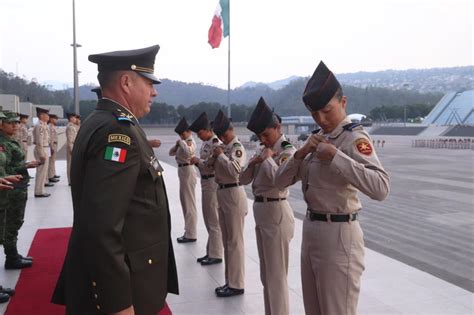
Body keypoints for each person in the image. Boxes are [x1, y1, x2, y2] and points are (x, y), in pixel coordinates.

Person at [52, 45, 179, 315]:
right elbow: (102, 228)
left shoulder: (101, 121)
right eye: (148, 82)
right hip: (122, 292)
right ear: (125, 82)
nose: (154, 91)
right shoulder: (116, 132)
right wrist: (119, 304)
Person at [275, 61, 390, 315]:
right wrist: (301, 153)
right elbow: (279, 182)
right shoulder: (316, 139)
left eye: (327, 111)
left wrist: (337, 157)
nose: (321, 119)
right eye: (315, 114)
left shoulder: (354, 138)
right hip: (312, 229)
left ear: (344, 102)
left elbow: (381, 187)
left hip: (339, 235)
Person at [240, 97, 295, 315]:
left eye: (266, 134)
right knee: (267, 274)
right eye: (260, 136)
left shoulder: (286, 150)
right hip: (262, 213)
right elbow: (243, 180)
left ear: (277, 127)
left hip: (276, 211)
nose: (263, 140)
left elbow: (280, 181)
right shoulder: (264, 150)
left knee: (276, 275)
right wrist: (254, 162)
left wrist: (269, 159)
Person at [212, 109, 248, 297]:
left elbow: (235, 171)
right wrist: (215, 156)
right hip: (223, 193)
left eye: (225, 135)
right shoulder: (224, 148)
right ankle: (230, 281)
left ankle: (237, 284)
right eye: (220, 136)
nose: (223, 138)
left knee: (235, 241)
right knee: (228, 241)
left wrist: (220, 155)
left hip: (234, 193)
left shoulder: (236, 147)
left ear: (231, 130)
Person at [0, 111, 40, 269]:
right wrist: (23, 166)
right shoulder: (4, 144)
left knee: (16, 222)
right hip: (11, 188)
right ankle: (11, 257)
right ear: (2, 126)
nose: (15, 126)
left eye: (16, 123)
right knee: (11, 223)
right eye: (11, 123)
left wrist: (25, 165)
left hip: (18, 186)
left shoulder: (10, 141)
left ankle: (14, 254)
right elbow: (6, 168)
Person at [189, 112, 223, 265]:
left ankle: (216, 254)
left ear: (207, 129)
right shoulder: (206, 142)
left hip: (212, 182)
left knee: (213, 219)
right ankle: (210, 250)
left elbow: (211, 165)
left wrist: (197, 162)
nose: (198, 136)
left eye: (200, 132)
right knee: (208, 218)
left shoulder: (215, 143)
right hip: (205, 182)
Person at [169, 117, 198, 243]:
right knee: (185, 203)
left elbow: (188, 153)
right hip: (182, 171)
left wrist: (181, 143)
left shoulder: (190, 141)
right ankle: (188, 231)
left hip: (188, 171)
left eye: (182, 133)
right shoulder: (183, 142)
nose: (181, 136)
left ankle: (191, 233)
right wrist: (177, 145)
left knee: (189, 203)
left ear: (188, 131)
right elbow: (171, 153)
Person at [33, 107, 52, 197]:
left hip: (45, 148)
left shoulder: (43, 125)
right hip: (42, 149)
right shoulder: (39, 126)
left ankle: (41, 190)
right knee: (41, 171)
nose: (48, 116)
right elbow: (39, 142)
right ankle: (39, 191)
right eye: (46, 115)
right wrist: (41, 154)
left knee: (44, 171)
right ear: (41, 115)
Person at [65, 113, 78, 185]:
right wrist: (71, 149)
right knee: (70, 165)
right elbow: (70, 140)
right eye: (74, 118)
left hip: (73, 145)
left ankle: (71, 180)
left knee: (71, 164)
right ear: (71, 118)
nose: (75, 119)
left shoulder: (72, 126)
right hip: (71, 146)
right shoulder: (70, 127)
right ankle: (70, 180)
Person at [48, 114, 60, 183]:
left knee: (53, 161)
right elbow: (50, 138)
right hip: (52, 145)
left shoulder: (53, 126)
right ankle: (50, 176)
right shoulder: (50, 127)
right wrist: (51, 147)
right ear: (51, 119)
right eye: (55, 119)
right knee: (51, 161)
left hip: (54, 144)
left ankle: (52, 174)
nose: (56, 120)